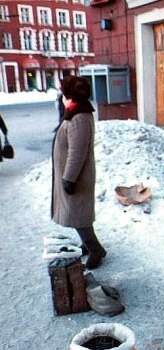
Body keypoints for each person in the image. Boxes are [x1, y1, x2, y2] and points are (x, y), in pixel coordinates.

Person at [51, 75, 106, 269]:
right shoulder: (75, 111)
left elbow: (77, 152)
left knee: (78, 216)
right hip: (74, 176)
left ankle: (96, 249)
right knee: (78, 214)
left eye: (64, 92)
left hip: (77, 178)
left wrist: (69, 178)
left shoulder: (79, 117)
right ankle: (88, 244)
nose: (61, 95)